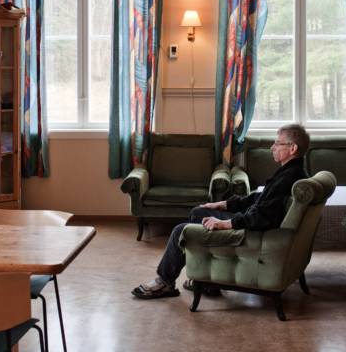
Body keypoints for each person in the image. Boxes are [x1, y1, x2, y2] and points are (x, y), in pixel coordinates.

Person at [132, 123, 310, 299]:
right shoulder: (290, 173)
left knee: (181, 231)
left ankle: (165, 282)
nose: (272, 147)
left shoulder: (289, 178)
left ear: (292, 148)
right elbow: (259, 199)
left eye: (278, 143)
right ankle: (207, 282)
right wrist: (223, 204)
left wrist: (224, 224)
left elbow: (263, 217)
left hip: (251, 233)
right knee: (199, 212)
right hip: (251, 223)